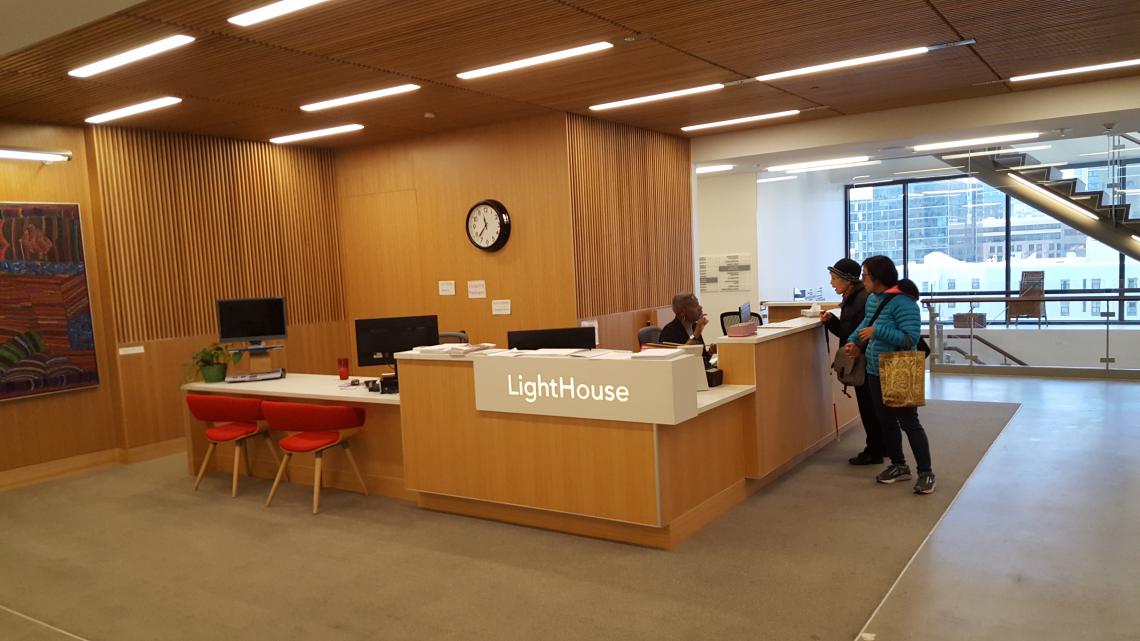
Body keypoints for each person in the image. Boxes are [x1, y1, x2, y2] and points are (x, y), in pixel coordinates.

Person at [844, 256, 936, 495]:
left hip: (899, 368)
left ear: (878, 278)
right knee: (885, 421)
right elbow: (866, 322)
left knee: (909, 423)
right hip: (875, 369)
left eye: (865, 275)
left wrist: (877, 332)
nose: (862, 279)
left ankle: (926, 472)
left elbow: (910, 338)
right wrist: (854, 342)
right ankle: (899, 465)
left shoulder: (905, 303)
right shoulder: (874, 299)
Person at [820, 258, 883, 465]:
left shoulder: (862, 299)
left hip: (864, 360)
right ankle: (880, 447)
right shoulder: (853, 298)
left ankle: (875, 450)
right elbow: (848, 332)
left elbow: (859, 335)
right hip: (862, 358)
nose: (832, 283)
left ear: (848, 280)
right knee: (870, 406)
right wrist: (832, 322)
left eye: (834, 278)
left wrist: (856, 347)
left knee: (869, 407)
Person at [659, 292, 711, 365]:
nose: (700, 307)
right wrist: (696, 334)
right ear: (682, 312)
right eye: (695, 306)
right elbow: (680, 359)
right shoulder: (670, 331)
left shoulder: (694, 327)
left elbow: (702, 357)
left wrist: (711, 351)